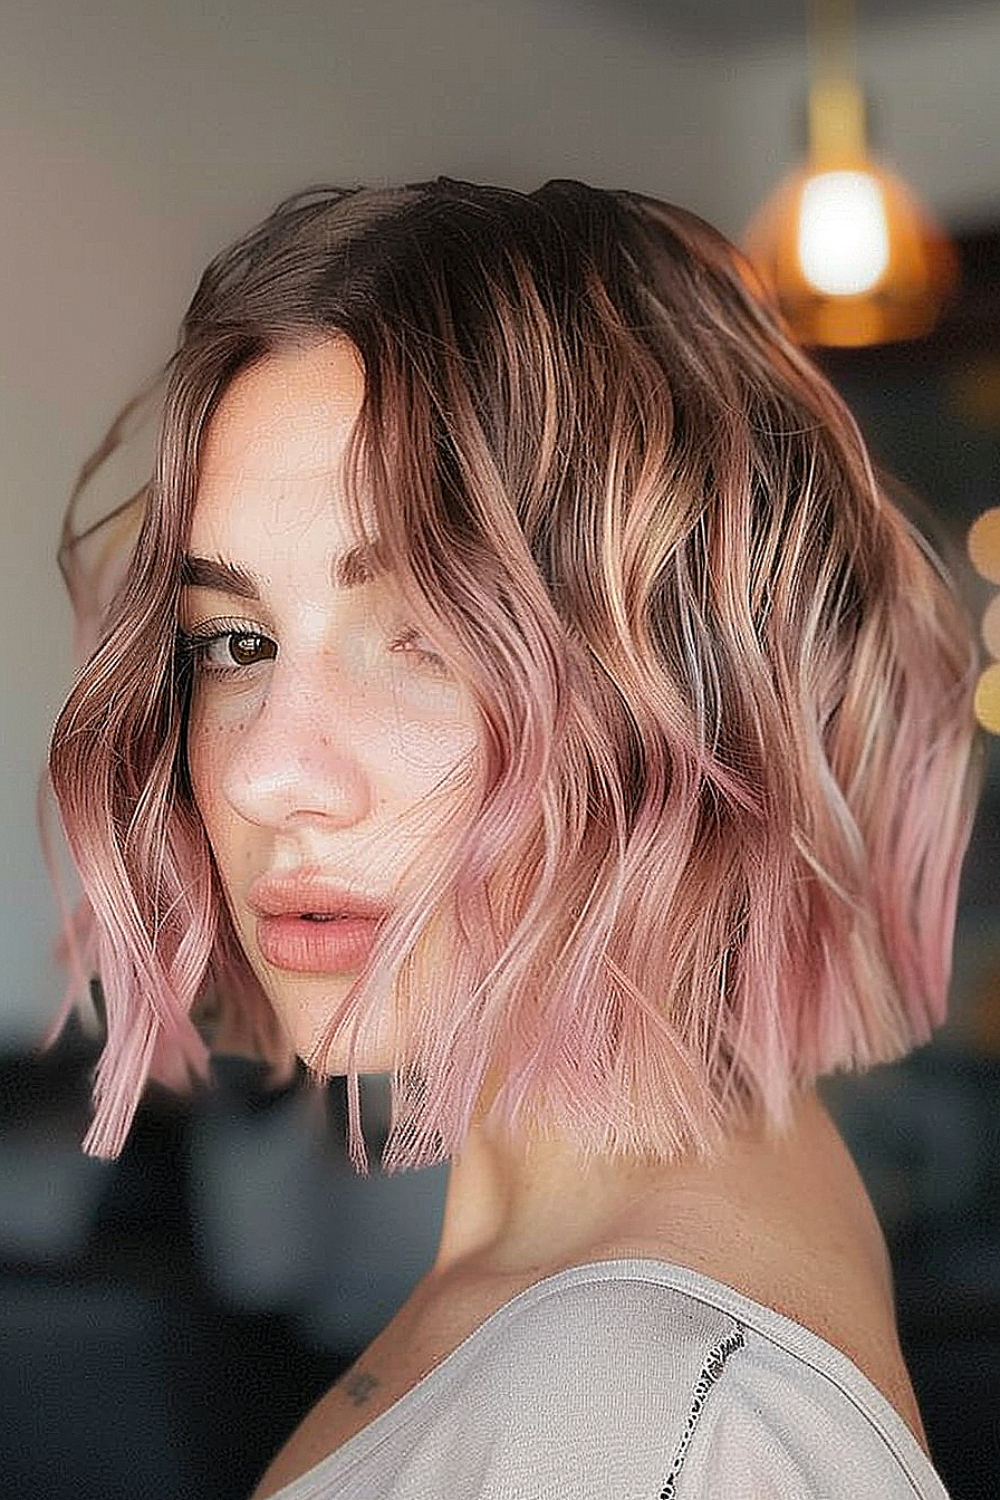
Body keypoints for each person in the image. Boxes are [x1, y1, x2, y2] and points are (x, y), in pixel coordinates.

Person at [46, 176, 984, 1499]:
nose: (263, 774)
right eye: (235, 642)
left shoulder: (652, 1420)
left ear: (695, 690)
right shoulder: (584, 1307)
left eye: (431, 638)